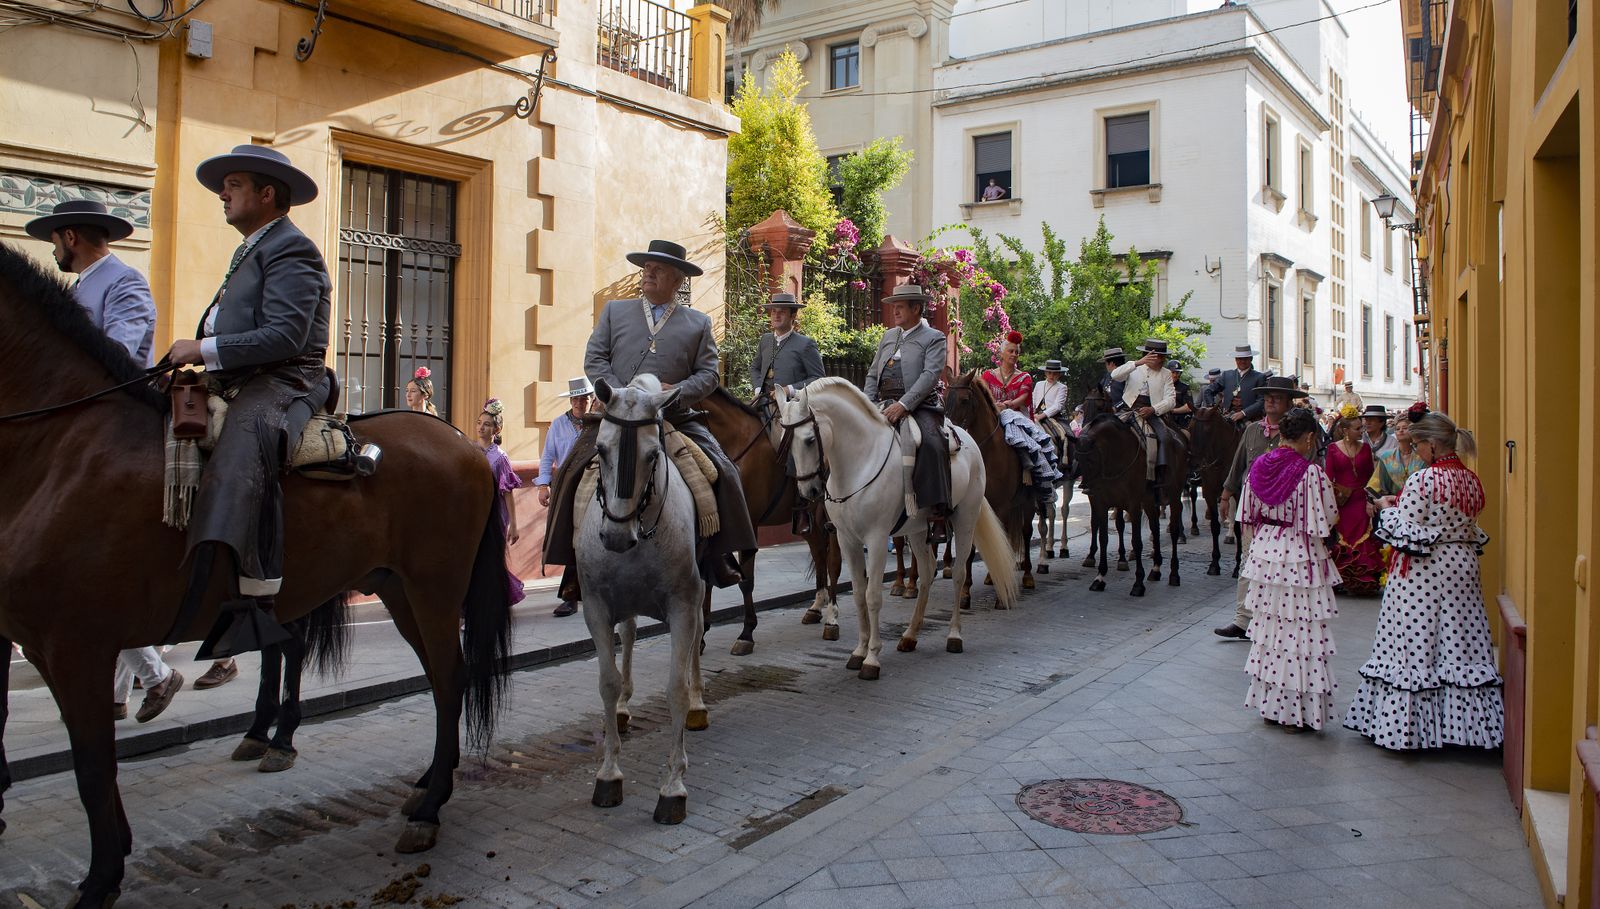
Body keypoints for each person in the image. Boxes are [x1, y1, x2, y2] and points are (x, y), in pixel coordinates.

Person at [164, 144, 333, 660]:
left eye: (233, 185)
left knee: (245, 442)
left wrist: (201, 347)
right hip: (239, 375)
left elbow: (285, 335)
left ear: (266, 194)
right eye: (225, 185)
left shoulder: (291, 248)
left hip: (287, 379)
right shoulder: (253, 248)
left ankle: (253, 600)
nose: (223, 193)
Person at [25, 199, 183, 721]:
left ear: (70, 237)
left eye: (55, 240)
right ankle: (134, 686)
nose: (54, 251)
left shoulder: (123, 281)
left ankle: (147, 679)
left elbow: (119, 356)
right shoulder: (80, 287)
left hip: (111, 427)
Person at [546, 239, 757, 588]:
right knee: (571, 470)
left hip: (674, 416)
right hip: (615, 415)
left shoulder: (698, 323)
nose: (649, 273)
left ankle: (717, 556)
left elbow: (708, 376)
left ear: (677, 280)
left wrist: (674, 393)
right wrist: (619, 394)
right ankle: (573, 567)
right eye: (647, 268)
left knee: (723, 471)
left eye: (658, 269)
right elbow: (594, 359)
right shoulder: (615, 311)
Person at [1344, 412, 1502, 750]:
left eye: (1417, 444)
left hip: (1424, 570)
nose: (1415, 451)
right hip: (1462, 563)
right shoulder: (1473, 480)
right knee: (1460, 638)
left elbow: (1405, 528)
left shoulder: (1424, 480)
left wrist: (1386, 508)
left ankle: (1410, 729)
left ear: (1432, 445)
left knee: (1419, 640)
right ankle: (1464, 730)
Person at [1239, 407, 1340, 730]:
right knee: (1301, 635)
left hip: (1265, 553)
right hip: (1299, 553)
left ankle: (1270, 705)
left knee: (1270, 633)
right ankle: (1296, 712)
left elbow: (1248, 512)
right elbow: (1327, 517)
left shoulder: (1259, 466)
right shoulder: (1310, 473)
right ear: (1310, 437)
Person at [1213, 376, 1300, 639]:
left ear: (1288, 403)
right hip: (1253, 510)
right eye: (1267, 397)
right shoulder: (1251, 430)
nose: (1271, 401)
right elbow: (1239, 462)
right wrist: (1226, 494)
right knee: (1247, 561)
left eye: (1277, 397)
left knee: (1280, 565)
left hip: (1284, 511)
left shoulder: (1297, 433)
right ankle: (1242, 619)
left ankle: (1275, 619)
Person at [865, 284, 951, 543]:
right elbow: (872, 373)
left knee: (933, 444)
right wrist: (866, 403)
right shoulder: (889, 335)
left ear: (916, 308)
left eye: (900, 306)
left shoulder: (934, 337)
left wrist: (904, 405)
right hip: (882, 402)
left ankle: (938, 513)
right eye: (894, 306)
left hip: (920, 405)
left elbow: (929, 376)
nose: (895, 311)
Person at [537, 377, 592, 617]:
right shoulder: (558, 425)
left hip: (591, 485)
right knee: (567, 536)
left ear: (592, 400)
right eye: (577, 398)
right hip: (565, 487)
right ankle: (571, 595)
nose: (580, 402)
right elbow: (548, 456)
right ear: (571, 400)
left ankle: (577, 593)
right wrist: (543, 485)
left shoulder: (598, 425)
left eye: (585, 398)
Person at [1324, 408, 1384, 596]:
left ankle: (1363, 581)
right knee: (1342, 536)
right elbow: (1328, 477)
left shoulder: (1365, 448)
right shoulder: (1333, 449)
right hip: (1342, 500)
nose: (1362, 432)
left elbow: (1371, 476)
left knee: (1363, 536)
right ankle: (1342, 579)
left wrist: (1370, 499)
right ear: (1345, 430)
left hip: (1360, 499)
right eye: (1358, 428)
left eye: (1362, 428)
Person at [477, 398, 526, 608]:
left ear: (497, 429)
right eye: (479, 423)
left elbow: (508, 493)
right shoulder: (470, 451)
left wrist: (514, 524)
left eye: (487, 424)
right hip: (475, 515)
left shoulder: (500, 458)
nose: (481, 428)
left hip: (495, 515)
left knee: (491, 560)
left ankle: (492, 601)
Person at [1110, 338, 1177, 482]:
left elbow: (1171, 400)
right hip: (1127, 410)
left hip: (1151, 413)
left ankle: (1160, 476)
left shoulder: (1166, 374)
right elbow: (1114, 375)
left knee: (1164, 437)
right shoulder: (1133, 366)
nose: (1158, 359)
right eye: (1154, 356)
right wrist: (1138, 363)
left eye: (1160, 356)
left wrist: (1153, 409)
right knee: (1102, 430)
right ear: (1147, 354)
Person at [749, 292, 824, 400]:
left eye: (782, 312)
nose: (776, 315)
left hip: (792, 408)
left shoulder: (806, 344)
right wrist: (758, 388)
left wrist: (790, 390)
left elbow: (818, 379)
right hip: (763, 407)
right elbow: (755, 368)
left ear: (793, 315)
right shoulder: (765, 339)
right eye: (774, 311)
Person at [1369, 402, 1430, 496]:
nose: (1400, 431)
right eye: (1397, 429)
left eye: (1405, 428)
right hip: (1392, 501)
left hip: (1418, 499)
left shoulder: (1422, 455)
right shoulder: (1387, 456)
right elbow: (1376, 483)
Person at [1206, 344, 1268, 423]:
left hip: (1249, 419)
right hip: (1227, 417)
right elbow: (1208, 391)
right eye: (1239, 359)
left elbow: (1262, 401)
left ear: (1251, 359)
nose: (1242, 361)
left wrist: (1243, 413)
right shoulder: (1226, 375)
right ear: (1235, 359)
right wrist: (1212, 407)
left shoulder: (1259, 377)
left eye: (1245, 358)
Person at [981, 330, 1033, 414]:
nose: (1014, 354)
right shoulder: (988, 375)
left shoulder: (1024, 377)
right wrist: (994, 406)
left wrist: (1008, 405)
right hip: (992, 416)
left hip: (1016, 418)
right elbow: (982, 395)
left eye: (1017, 352)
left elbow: (1024, 397)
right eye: (1011, 351)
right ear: (1001, 353)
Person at [1166, 359, 1195, 426]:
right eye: (1173, 372)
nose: (1175, 375)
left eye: (1177, 373)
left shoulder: (1185, 387)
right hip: (1163, 419)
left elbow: (1189, 407)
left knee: (1185, 434)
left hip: (1180, 422)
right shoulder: (1161, 385)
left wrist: (1172, 411)